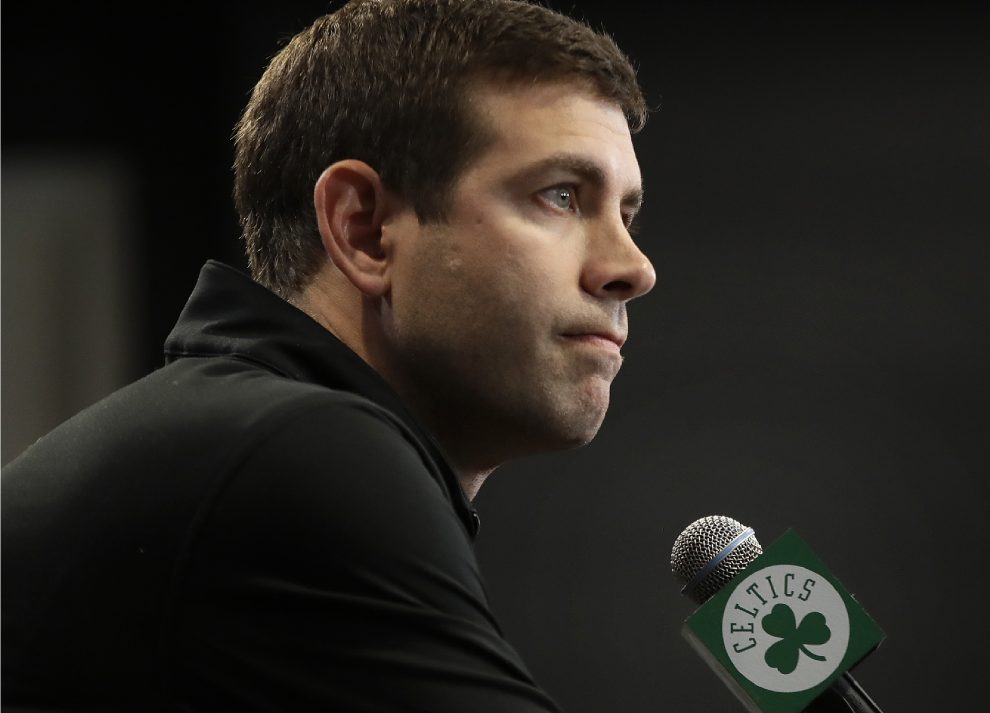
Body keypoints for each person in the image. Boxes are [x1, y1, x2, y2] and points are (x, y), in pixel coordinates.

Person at [2, 0, 656, 710]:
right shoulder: (298, 453)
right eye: (561, 196)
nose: (634, 267)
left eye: (626, 214)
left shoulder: (238, 436)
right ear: (364, 229)